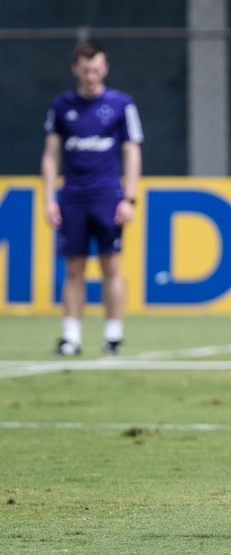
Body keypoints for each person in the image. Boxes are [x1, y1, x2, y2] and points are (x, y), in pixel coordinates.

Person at [41, 41, 144, 356]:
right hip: (73, 196)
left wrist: (129, 198)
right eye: (86, 70)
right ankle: (71, 336)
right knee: (74, 268)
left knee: (111, 265)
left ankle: (113, 335)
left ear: (105, 69)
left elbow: (132, 151)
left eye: (97, 70)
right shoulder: (61, 106)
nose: (91, 76)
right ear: (76, 69)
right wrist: (49, 198)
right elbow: (50, 155)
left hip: (108, 196)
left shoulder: (121, 105)